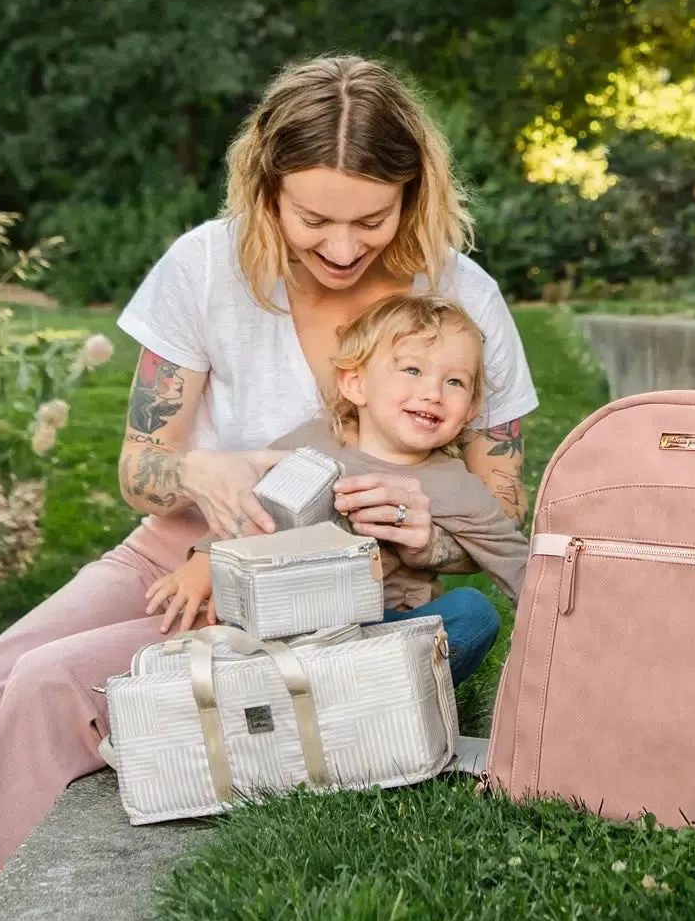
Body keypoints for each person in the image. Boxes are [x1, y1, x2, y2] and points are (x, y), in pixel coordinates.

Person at [0, 54, 538, 921]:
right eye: (313, 218)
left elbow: (501, 500)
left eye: (371, 218)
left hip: (314, 591)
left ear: (414, 191)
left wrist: (420, 534)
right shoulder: (206, 266)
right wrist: (195, 463)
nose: (345, 247)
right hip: (180, 545)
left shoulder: (462, 298)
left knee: (51, 685)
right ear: (264, 185)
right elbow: (138, 470)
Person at [148, 293, 528, 683]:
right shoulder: (312, 444)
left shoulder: (454, 484)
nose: (434, 392)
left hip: (386, 630)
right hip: (296, 623)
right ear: (356, 383)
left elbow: (514, 560)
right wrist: (203, 563)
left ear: (468, 409)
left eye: (454, 381)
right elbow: (251, 504)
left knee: (474, 611)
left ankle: (385, 689)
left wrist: (559, 623)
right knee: (233, 631)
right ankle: (294, 692)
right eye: (413, 370)